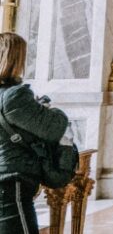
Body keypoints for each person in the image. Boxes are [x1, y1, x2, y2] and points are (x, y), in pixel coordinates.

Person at [0, 33, 72, 234]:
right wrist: (50, 110)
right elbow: (54, 126)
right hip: (10, 183)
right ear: (14, 59)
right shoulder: (14, 96)